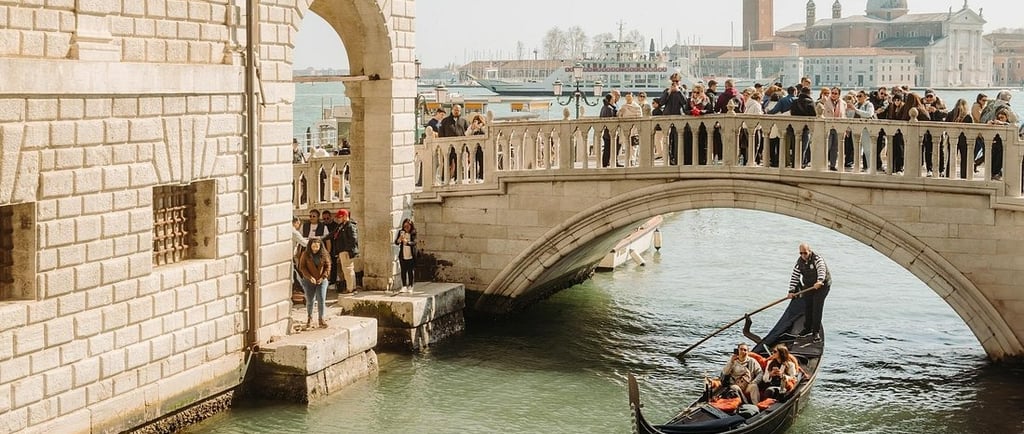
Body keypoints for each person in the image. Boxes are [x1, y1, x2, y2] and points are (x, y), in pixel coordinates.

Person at [787, 243, 831, 341]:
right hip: (809, 286)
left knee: (817, 307)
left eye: (805, 253)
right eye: (801, 253)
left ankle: (816, 332)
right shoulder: (799, 263)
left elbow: (822, 271)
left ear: (809, 251)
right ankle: (807, 329)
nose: (803, 255)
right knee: (808, 306)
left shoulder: (817, 259)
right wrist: (791, 291)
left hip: (822, 286)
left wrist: (819, 281)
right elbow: (795, 277)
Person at [296, 237, 330, 328]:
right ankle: (309, 318)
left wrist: (322, 278)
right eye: (313, 246)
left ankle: (321, 319)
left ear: (320, 246)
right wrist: (309, 277)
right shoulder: (305, 254)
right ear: (310, 246)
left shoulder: (324, 254)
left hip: (321, 281)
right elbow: (302, 267)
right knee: (310, 300)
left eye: (317, 247)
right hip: (308, 281)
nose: (315, 249)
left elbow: (327, 267)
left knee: (321, 299)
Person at [331, 209, 360, 293]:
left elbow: (353, 239)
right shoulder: (341, 226)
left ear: (344, 217)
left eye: (339, 217)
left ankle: (350, 288)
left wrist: (348, 250)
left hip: (346, 251)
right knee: (348, 269)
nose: (338, 219)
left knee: (348, 270)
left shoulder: (350, 225)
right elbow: (332, 234)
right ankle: (352, 287)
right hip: (342, 250)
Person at [394, 218, 418, 293]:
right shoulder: (401, 232)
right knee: (403, 271)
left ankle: (410, 286)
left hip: (411, 255)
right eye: (404, 226)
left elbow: (414, 242)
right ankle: (404, 286)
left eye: (407, 226)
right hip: (403, 254)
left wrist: (407, 243)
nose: (406, 228)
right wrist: (399, 239)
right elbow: (396, 242)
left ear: (411, 226)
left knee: (410, 271)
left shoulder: (413, 233)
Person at [599, 93, 619, 167]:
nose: (614, 100)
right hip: (609, 132)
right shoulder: (609, 108)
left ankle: (606, 163)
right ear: (610, 100)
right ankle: (606, 163)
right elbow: (611, 120)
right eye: (613, 99)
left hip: (605, 132)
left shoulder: (603, 107)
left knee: (607, 149)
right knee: (608, 149)